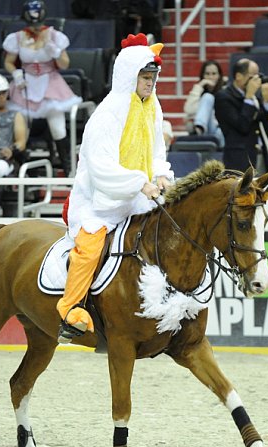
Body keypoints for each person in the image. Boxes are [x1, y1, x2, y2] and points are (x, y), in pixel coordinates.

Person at [57, 32, 174, 343]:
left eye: (153, 77)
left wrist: (161, 173)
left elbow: (156, 150)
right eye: (145, 77)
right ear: (128, 76)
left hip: (140, 195)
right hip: (101, 198)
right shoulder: (106, 114)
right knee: (90, 246)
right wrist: (140, 183)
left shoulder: (152, 107)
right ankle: (70, 310)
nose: (150, 83)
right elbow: (100, 167)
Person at [3, 0, 82, 175]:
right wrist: (16, 74)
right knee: (22, 128)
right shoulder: (17, 37)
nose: (36, 28)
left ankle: (68, 167)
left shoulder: (54, 36)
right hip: (26, 85)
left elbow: (64, 64)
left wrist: (52, 49)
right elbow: (8, 62)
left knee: (58, 128)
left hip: (51, 84)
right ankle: (19, 169)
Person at [214, 58, 268, 172]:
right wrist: (249, 97)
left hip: (261, 156)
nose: (257, 81)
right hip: (239, 160)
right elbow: (242, 126)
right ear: (238, 76)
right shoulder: (224, 97)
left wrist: (267, 103)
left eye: (258, 76)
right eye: (253, 76)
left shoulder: (255, 98)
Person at [183, 60, 225, 147]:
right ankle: (199, 128)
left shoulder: (226, 91)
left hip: (220, 131)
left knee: (220, 132)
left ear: (219, 75)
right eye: (207, 74)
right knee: (207, 97)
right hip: (204, 132)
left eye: (214, 74)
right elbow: (188, 110)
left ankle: (199, 128)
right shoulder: (199, 92)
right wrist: (200, 85)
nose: (210, 77)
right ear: (203, 76)